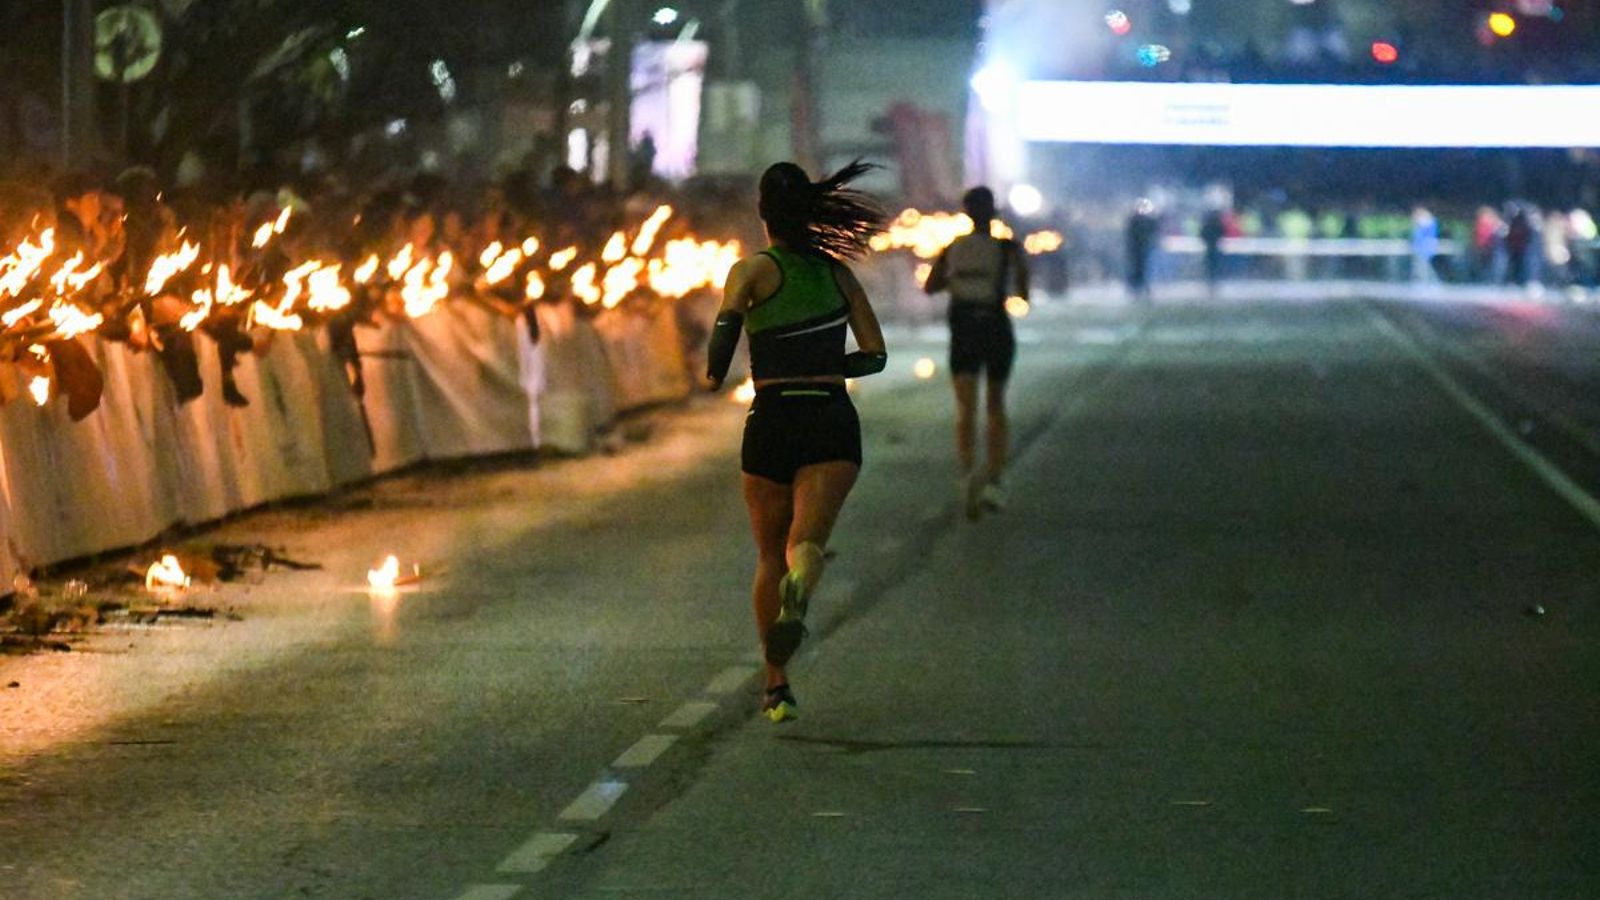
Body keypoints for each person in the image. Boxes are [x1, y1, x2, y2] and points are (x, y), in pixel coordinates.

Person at [705, 160, 888, 724]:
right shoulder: (837, 275)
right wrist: (827, 362)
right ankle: (802, 584)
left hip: (773, 417)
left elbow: (726, 329)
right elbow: (876, 354)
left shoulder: (752, 270)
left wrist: (715, 374)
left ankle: (775, 685)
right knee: (804, 542)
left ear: (763, 213)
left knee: (766, 553)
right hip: (830, 417)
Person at [925, 186, 1029, 519]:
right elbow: (1023, 288)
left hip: (964, 329)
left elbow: (931, 285)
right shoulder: (1007, 248)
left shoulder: (952, 248)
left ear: (967, 213)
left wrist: (958, 278)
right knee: (996, 404)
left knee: (965, 407)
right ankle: (995, 478)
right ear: (993, 212)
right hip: (995, 327)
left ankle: (968, 471)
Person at [1125, 197, 1159, 302]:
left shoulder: (1137, 219)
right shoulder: (1136, 220)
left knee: (1142, 269)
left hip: (1141, 248)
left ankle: (1139, 289)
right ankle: (1137, 289)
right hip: (1138, 248)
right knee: (1138, 268)